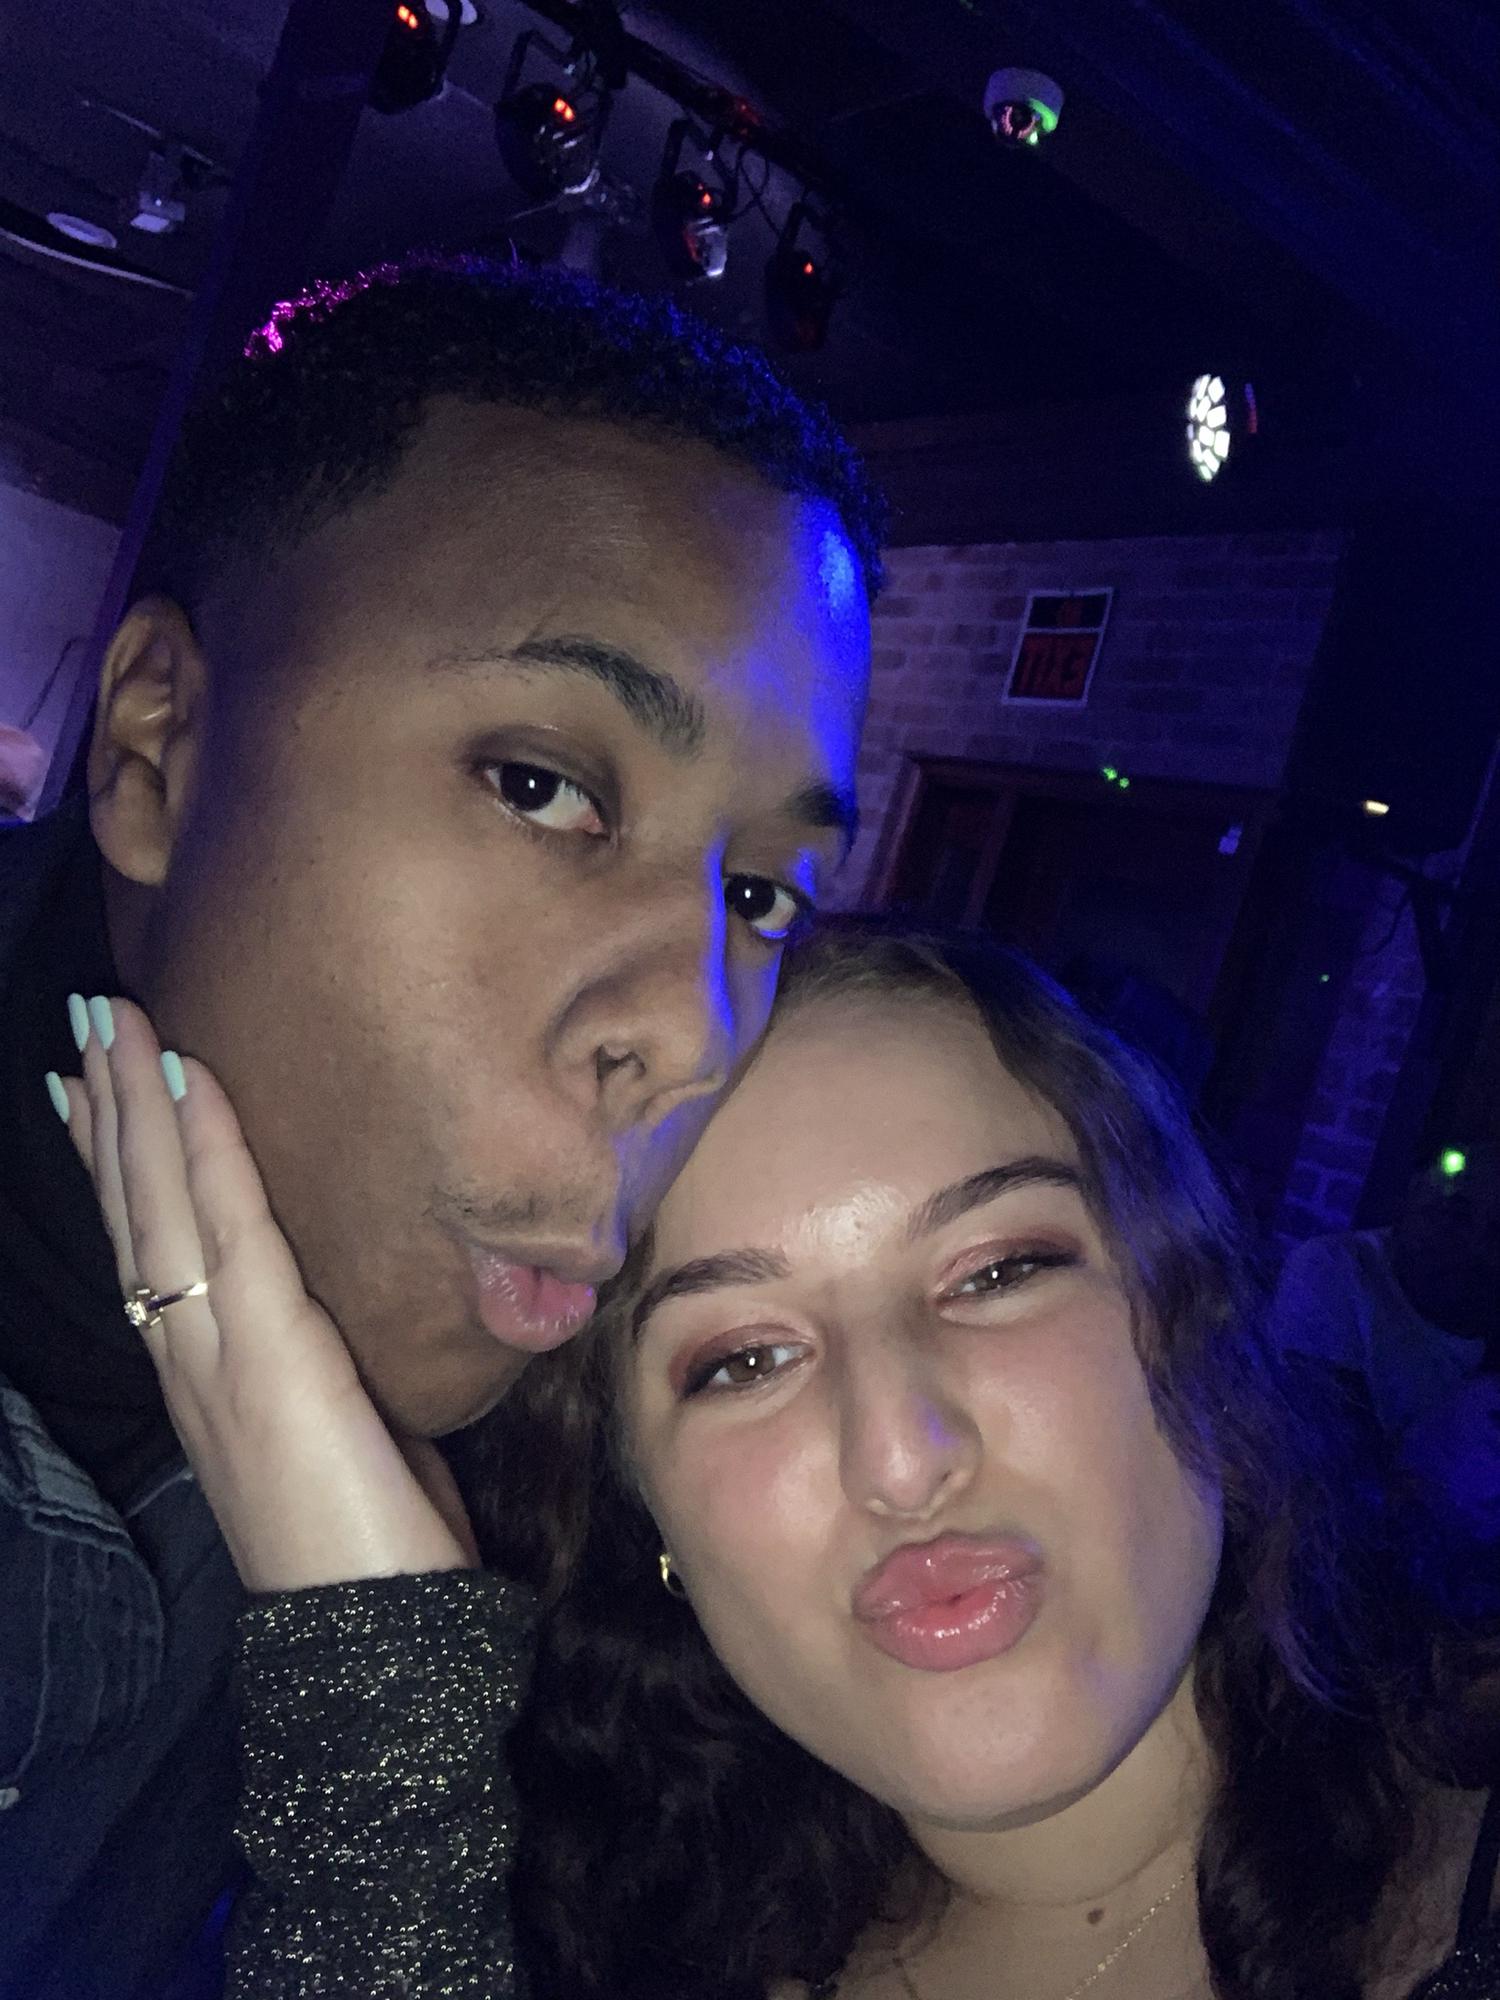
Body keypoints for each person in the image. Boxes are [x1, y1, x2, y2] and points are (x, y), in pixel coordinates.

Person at [54, 921, 1497, 1999]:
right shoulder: (638, 1946)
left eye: (998, 1270)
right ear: (655, 1524)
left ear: (1193, 1317)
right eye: (740, 1359)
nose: (903, 1456)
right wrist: (375, 1691)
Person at [1, 251, 876, 1999]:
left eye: (763, 895)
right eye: (542, 786)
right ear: (157, 747)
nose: (696, 1034)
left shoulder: (591, 1540)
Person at [1269, 1147, 1500, 1557]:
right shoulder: (1336, 1269)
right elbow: (1336, 1466)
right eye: (1455, 1215)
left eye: (1497, 1232)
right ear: (1410, 1197)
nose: (1476, 1245)